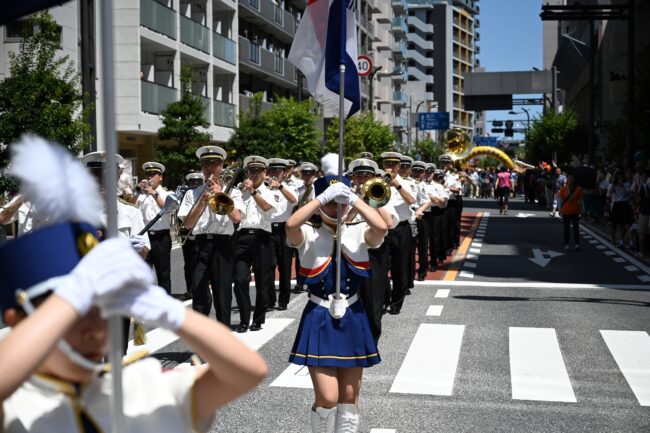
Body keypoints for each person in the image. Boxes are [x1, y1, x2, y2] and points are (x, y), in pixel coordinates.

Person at [0, 136, 268, 433]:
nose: (93, 329)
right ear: (21, 321)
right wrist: (76, 293)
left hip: (222, 245)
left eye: (98, 313)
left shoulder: (142, 385)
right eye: (77, 314)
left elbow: (248, 371)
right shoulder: (19, 400)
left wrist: (169, 311)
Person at [285, 154, 388, 433]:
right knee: (327, 397)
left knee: (349, 398)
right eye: (330, 201)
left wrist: (354, 200)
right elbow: (290, 226)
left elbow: (381, 227)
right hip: (319, 315)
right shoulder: (308, 231)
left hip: (352, 315)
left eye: (338, 200)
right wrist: (320, 199)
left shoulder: (357, 230)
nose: (335, 207)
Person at [177, 146, 244, 327]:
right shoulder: (192, 193)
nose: (209, 168)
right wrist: (201, 202)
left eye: (214, 163)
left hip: (223, 245)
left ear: (221, 166)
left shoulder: (234, 192)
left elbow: (236, 218)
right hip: (200, 244)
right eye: (206, 163)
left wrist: (220, 194)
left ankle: (224, 339)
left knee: (222, 294)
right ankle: (204, 339)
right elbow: (188, 225)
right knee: (199, 294)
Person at [232, 156, 276, 333]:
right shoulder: (238, 192)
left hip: (262, 238)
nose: (254, 174)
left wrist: (253, 192)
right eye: (251, 171)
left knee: (262, 282)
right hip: (241, 237)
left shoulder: (269, 191)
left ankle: (258, 319)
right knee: (240, 279)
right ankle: (244, 319)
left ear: (265, 173)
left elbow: (267, 208)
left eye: (258, 171)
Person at [380, 152, 415, 315]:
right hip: (383, 229)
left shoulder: (405, 183)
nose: (390, 167)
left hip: (401, 229)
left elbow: (411, 201)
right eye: (387, 164)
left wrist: (397, 185)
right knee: (381, 265)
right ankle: (384, 298)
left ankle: (396, 302)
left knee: (399, 267)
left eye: (393, 165)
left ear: (399, 167)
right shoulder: (378, 182)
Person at [136, 161, 173, 294]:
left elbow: (169, 208)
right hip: (145, 237)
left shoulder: (167, 194)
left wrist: (154, 194)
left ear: (160, 177)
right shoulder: (141, 195)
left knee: (163, 274)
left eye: (153, 174)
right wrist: (137, 191)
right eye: (148, 174)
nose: (150, 177)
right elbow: (132, 209)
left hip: (161, 238)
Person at [266, 158, 298, 311]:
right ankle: (270, 299)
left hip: (284, 229)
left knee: (284, 266)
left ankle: (283, 300)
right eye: (271, 171)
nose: (273, 174)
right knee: (268, 265)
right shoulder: (264, 187)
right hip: (268, 229)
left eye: (277, 171)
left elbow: (293, 200)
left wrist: (279, 187)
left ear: (284, 173)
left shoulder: (289, 187)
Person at [178, 172, 204, 300]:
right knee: (188, 264)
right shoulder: (186, 195)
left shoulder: (203, 193)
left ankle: (199, 288)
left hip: (201, 234)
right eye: (192, 182)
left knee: (200, 264)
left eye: (197, 182)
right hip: (188, 235)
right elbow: (181, 216)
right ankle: (190, 289)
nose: (194, 184)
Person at [557, 174, 584, 251]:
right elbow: (561, 200)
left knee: (576, 228)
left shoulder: (578, 189)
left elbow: (581, 201)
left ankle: (577, 244)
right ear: (567, 180)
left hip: (575, 211)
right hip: (566, 211)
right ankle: (566, 244)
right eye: (569, 179)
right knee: (566, 228)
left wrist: (582, 211)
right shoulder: (563, 189)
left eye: (572, 179)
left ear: (574, 180)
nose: (570, 180)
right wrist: (560, 209)